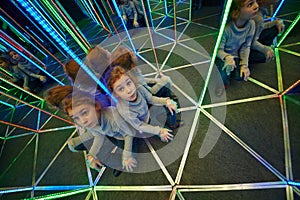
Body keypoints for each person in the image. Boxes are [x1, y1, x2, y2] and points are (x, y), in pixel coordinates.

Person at [45, 85, 138, 173]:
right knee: (95, 156)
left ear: (95, 106)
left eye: (84, 113)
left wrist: (126, 156)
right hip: (113, 134)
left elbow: (129, 133)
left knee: (122, 153)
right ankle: (118, 162)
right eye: (76, 118)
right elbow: (98, 135)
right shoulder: (90, 121)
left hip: (125, 135)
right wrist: (91, 155)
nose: (82, 121)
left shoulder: (112, 118)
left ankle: (122, 162)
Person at [105, 66, 177, 143]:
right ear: (116, 94)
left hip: (147, 109)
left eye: (129, 83)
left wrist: (167, 101)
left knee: (171, 109)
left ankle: (171, 124)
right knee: (166, 134)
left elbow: (151, 99)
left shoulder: (138, 87)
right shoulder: (125, 110)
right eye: (121, 89)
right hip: (144, 122)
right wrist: (159, 131)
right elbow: (139, 126)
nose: (129, 90)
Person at [216, 0, 258, 95]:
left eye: (255, 2)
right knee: (224, 74)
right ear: (236, 12)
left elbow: (246, 46)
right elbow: (218, 50)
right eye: (250, 4)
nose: (256, 6)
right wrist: (227, 57)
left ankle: (230, 72)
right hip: (223, 56)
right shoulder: (227, 29)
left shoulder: (251, 24)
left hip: (236, 55)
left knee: (240, 76)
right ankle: (222, 83)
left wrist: (244, 65)